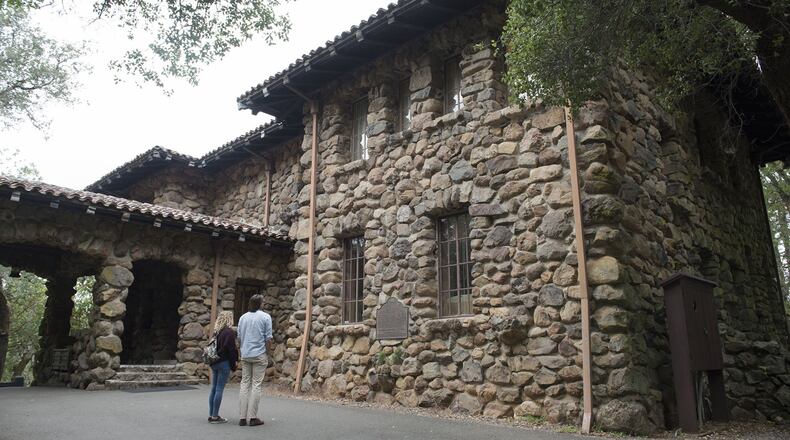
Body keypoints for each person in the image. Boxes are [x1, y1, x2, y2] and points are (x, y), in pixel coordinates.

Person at [237, 294, 273, 427]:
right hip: (259, 354)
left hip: (245, 354)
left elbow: (239, 338)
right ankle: (252, 417)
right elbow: (268, 338)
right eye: (263, 301)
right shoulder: (265, 317)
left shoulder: (243, 317)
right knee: (256, 384)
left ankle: (242, 417)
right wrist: (267, 354)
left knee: (244, 383)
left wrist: (241, 351)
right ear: (260, 303)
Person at [208, 310, 238, 424]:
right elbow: (230, 349)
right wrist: (234, 364)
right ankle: (215, 417)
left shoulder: (217, 332)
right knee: (219, 388)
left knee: (214, 388)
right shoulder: (229, 332)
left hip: (214, 362)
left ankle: (211, 414)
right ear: (229, 319)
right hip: (223, 362)